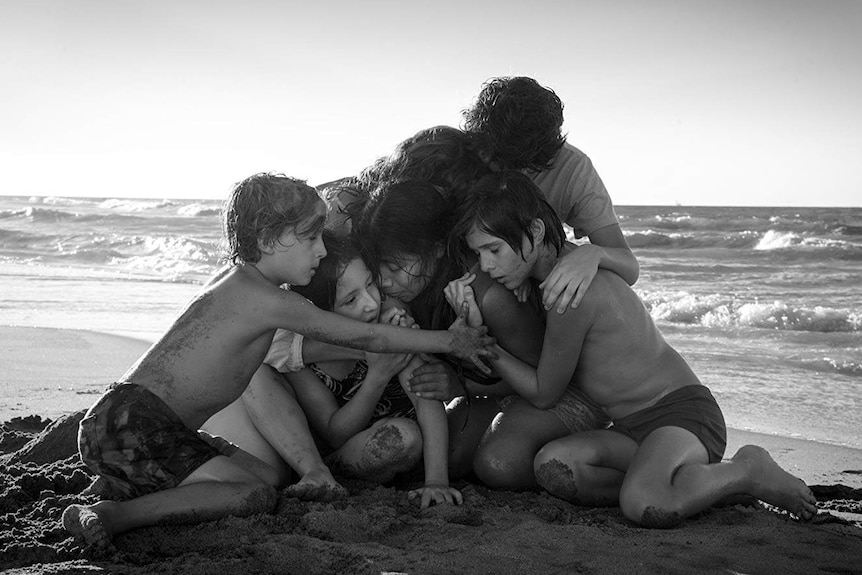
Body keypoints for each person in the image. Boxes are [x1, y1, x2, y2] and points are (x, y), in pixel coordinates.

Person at [61, 173, 495, 548]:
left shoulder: (242, 286)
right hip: (132, 423)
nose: (322, 251)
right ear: (268, 241)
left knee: (270, 480)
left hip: (138, 423)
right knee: (253, 495)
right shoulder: (264, 299)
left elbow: (324, 347)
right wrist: (452, 341)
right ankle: (114, 515)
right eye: (310, 238)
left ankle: (129, 483)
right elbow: (363, 335)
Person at [445, 170, 818, 527]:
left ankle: (747, 468)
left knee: (643, 504)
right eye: (479, 254)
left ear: (536, 230)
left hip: (680, 416)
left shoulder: (569, 291)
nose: (486, 266)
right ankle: (694, 483)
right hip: (629, 429)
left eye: (493, 250)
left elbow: (544, 393)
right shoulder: (563, 267)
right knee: (553, 467)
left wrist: (479, 346)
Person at [354, 179, 607, 487]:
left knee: (499, 463)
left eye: (395, 268)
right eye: (379, 268)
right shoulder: (407, 293)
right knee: (447, 456)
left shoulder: (489, 295)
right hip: (499, 393)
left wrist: (462, 386)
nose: (385, 282)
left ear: (434, 250)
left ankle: (592, 452)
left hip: (562, 395)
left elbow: (546, 382)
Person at [288, 232, 461, 508]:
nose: (370, 303)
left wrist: (437, 481)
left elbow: (425, 398)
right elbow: (334, 433)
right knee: (401, 438)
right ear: (319, 315)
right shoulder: (302, 362)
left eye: (371, 284)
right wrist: (377, 376)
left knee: (412, 438)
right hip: (354, 451)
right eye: (350, 300)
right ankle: (331, 471)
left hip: (416, 451)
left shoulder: (389, 329)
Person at [462, 76, 639, 313]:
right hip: (469, 267)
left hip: (531, 280)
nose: (502, 172)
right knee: (494, 300)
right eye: (489, 158)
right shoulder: (473, 150)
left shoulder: (573, 170)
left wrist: (592, 254)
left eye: (515, 165)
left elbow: (629, 268)